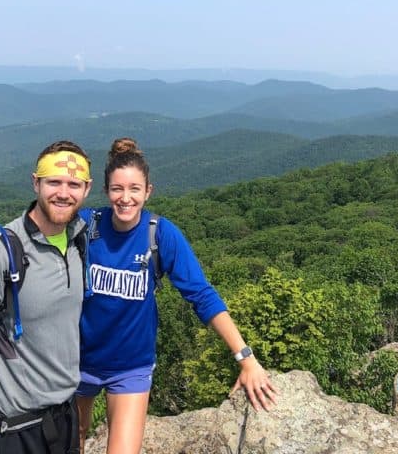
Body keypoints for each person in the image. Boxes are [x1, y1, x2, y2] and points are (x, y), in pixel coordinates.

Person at [76, 138, 278, 454]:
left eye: (134, 189)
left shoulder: (160, 233)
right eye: (117, 189)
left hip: (130, 367)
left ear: (148, 191)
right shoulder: (87, 226)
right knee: (70, 442)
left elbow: (201, 295)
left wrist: (246, 358)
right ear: (105, 191)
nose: (125, 198)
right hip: (76, 361)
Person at [0, 140, 94, 454]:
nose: (63, 193)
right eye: (53, 182)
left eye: (73, 184)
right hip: (11, 433)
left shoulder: (81, 243)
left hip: (65, 423)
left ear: (87, 189)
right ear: (35, 182)